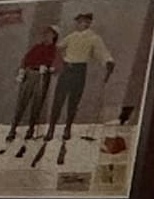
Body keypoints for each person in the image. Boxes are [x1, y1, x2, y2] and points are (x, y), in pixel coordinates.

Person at [31, 10, 119, 166]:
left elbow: (101, 52)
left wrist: (108, 61)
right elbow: (58, 47)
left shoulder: (93, 38)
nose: (82, 24)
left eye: (85, 22)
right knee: (58, 100)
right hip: (66, 69)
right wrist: (50, 41)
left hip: (79, 70)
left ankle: (67, 129)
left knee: (73, 101)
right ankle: (51, 129)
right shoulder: (71, 36)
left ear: (89, 23)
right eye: (79, 21)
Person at [1, 22, 61, 146]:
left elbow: (57, 66)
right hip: (29, 75)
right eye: (45, 33)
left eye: (50, 34)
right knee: (22, 102)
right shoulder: (37, 47)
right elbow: (25, 59)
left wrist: (50, 69)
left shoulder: (55, 50)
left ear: (54, 36)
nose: (46, 36)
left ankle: (31, 129)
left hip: (42, 77)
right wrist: (22, 71)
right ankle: (13, 129)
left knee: (37, 104)